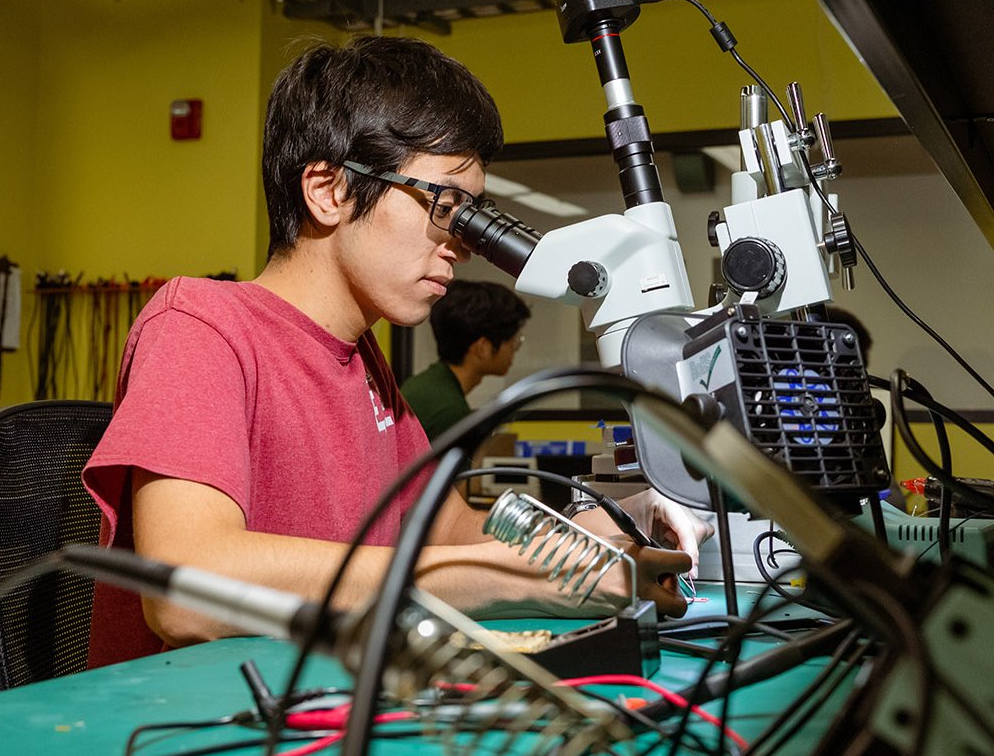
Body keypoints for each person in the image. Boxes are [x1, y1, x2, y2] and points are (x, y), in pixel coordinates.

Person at [81, 36, 711, 668]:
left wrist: (617, 519)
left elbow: (457, 533)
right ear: (327, 189)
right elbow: (187, 592)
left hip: (329, 703)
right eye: (445, 206)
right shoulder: (201, 327)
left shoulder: (364, 364)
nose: (461, 246)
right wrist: (521, 578)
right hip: (192, 735)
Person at [400, 280, 530, 442]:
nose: (514, 349)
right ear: (482, 348)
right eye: (513, 341)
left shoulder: (426, 386)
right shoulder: (449, 413)